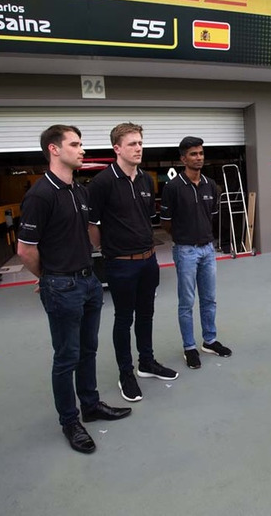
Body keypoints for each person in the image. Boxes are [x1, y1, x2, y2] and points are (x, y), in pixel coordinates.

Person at [17, 124, 131, 454]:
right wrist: (49, 277)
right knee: (66, 357)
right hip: (62, 285)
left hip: (89, 282)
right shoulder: (40, 195)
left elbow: (84, 234)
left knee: (88, 350)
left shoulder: (78, 191)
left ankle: (91, 405)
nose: (82, 150)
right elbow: (26, 249)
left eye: (81, 144)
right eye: (75, 144)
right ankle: (70, 421)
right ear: (54, 149)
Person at [87, 122, 178, 403]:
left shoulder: (146, 180)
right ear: (117, 148)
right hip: (120, 264)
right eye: (132, 144)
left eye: (140, 143)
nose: (138, 148)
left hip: (148, 260)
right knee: (123, 319)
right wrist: (108, 249)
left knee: (147, 313)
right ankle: (126, 372)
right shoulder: (102, 183)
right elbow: (92, 225)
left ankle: (146, 362)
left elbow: (145, 219)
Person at [160, 136, 233, 369]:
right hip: (185, 251)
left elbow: (209, 214)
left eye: (201, 153)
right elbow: (166, 223)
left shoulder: (211, 185)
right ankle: (189, 347)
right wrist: (184, 238)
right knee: (187, 302)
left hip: (208, 250)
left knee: (209, 298)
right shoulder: (173, 188)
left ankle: (209, 340)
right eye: (193, 154)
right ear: (183, 158)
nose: (199, 157)